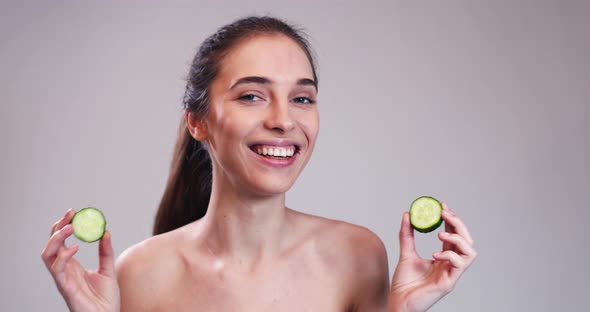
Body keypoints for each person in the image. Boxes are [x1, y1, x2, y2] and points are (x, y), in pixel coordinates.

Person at [42, 16, 476, 312]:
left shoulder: (358, 256)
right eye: (252, 95)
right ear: (198, 121)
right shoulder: (138, 273)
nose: (284, 120)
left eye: (301, 98)